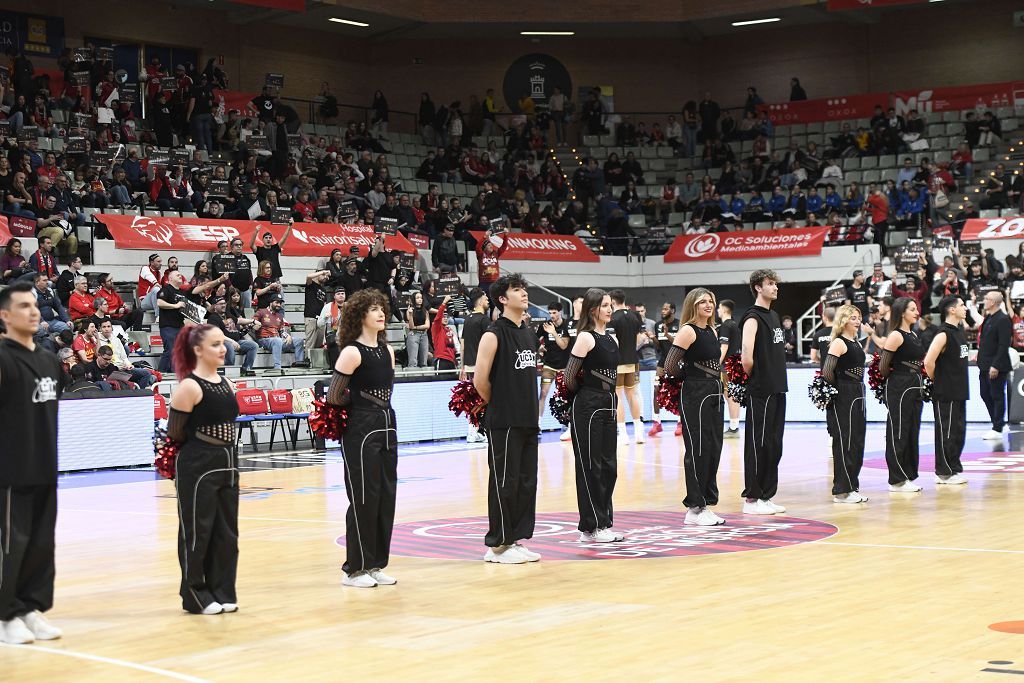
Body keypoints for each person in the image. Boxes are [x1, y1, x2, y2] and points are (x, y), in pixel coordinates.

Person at [0, 281, 63, 644]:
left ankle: (28, 608)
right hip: (10, 471)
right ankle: (6, 614)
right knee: (12, 543)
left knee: (41, 544)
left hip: (45, 466)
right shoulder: (3, 359)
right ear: (5, 316)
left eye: (35, 305)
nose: (34, 311)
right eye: (23, 306)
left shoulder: (49, 359)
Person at [324, 289, 399, 588]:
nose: (380, 313)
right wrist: (360, 408)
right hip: (361, 430)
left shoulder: (388, 350)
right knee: (364, 497)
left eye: (382, 308)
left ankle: (375, 563)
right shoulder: (352, 352)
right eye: (373, 309)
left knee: (385, 497)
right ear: (360, 315)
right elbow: (333, 396)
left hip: (388, 426)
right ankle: (355, 568)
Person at [166, 324, 240, 615]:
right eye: (215, 344)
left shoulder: (226, 383)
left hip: (228, 463)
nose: (223, 349)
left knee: (227, 532)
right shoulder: (189, 386)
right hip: (198, 466)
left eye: (223, 343)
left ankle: (223, 590)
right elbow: (175, 432)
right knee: (198, 532)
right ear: (197, 350)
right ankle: (196, 594)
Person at [473, 274, 541, 564]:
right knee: (504, 481)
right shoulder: (493, 333)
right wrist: (500, 403)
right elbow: (480, 380)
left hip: (527, 418)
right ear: (502, 299)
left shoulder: (527, 331)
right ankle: (497, 544)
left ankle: (514, 538)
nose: (523, 294)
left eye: (523, 289)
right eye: (517, 290)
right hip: (504, 420)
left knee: (526, 481)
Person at [563, 288, 623, 544]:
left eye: (610, 304)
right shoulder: (585, 338)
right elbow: (568, 378)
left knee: (609, 467)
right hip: (588, 406)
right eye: (604, 305)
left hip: (609, 404)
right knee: (591, 467)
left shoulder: (612, 339)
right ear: (592, 310)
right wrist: (586, 397)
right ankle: (592, 526)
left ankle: (603, 523)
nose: (609, 309)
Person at [663, 288, 725, 526]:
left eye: (711, 301)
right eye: (702, 302)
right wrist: (691, 378)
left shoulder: (711, 329)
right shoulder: (688, 330)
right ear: (693, 305)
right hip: (695, 394)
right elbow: (670, 365)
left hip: (714, 392)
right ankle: (694, 508)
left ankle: (705, 504)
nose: (708, 305)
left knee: (713, 448)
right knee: (698, 448)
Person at [740, 269, 788, 515]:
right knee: (758, 443)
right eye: (770, 284)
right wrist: (759, 379)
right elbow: (746, 358)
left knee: (773, 443)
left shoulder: (774, 316)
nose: (775, 288)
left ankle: (767, 495)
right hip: (762, 389)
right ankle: (752, 498)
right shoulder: (752, 317)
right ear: (758, 287)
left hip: (779, 387)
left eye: (776, 284)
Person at [821, 304, 868, 504]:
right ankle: (841, 490)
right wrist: (838, 390)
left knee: (857, 441)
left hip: (858, 392)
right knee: (845, 441)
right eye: (854, 318)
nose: (858, 321)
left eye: (859, 317)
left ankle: (852, 486)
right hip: (844, 394)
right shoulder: (839, 342)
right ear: (844, 320)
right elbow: (827, 371)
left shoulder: (855, 341)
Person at [880, 297, 925, 493]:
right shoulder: (896, 335)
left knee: (911, 430)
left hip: (915, 385)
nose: (917, 312)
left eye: (916, 309)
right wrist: (897, 380)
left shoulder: (913, 334)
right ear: (902, 313)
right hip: (899, 385)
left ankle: (907, 475)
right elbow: (883, 366)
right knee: (898, 431)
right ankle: (896, 480)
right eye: (912, 309)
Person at [923, 296, 970, 486]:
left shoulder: (960, 331)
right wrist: (938, 380)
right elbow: (928, 362)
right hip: (946, 391)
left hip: (959, 390)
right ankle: (944, 472)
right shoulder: (943, 334)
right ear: (951, 310)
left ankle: (953, 468)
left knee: (958, 432)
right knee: (946, 432)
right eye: (962, 305)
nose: (965, 308)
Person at [609, 289, 645, 444]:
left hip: (617, 362)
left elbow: (612, 342)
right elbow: (641, 339)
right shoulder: (635, 315)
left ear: (612, 301)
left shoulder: (612, 318)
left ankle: (623, 434)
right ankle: (639, 432)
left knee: (618, 396)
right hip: (633, 361)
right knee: (633, 395)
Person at [977, 290, 1012, 441]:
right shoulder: (988, 318)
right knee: (984, 393)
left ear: (993, 302)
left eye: (986, 298)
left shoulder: (1003, 319)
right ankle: (996, 422)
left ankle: (997, 427)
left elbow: (1004, 344)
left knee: (997, 395)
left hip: (996, 365)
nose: (984, 300)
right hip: (984, 364)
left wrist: (996, 365)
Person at [459, 288, 489, 444]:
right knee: (484, 399)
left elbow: (462, 344)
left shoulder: (467, 319)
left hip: (470, 365)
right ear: (479, 300)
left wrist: (463, 366)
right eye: (485, 297)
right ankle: (477, 430)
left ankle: (473, 430)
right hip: (482, 365)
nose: (488, 300)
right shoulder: (484, 320)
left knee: (475, 399)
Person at [648, 302, 680, 437]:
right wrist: (653, 338)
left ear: (672, 310)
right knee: (656, 390)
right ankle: (657, 422)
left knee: (679, 393)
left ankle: (681, 422)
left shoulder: (681, 324)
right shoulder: (658, 325)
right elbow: (659, 347)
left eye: (666, 308)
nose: (663, 311)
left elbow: (680, 344)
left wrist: (667, 335)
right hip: (662, 362)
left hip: (677, 363)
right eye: (662, 308)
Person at [537, 302, 570, 431]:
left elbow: (563, 346)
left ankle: (565, 423)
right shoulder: (545, 325)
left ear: (560, 312)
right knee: (543, 393)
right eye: (550, 313)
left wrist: (554, 333)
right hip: (549, 366)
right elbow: (534, 339)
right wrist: (539, 347)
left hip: (564, 367)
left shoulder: (567, 325)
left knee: (564, 397)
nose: (552, 315)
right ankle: (538, 423)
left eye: (554, 313)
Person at [253, 294, 308, 371]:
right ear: (271, 302)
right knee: (277, 340)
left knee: (299, 341)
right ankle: (277, 367)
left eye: (280, 303)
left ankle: (299, 364)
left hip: (277, 340)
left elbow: (281, 330)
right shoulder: (261, 311)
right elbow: (252, 322)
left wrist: (288, 336)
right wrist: (254, 325)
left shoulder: (279, 316)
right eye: (277, 302)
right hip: (264, 340)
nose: (279, 305)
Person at [206, 296, 258, 376]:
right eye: (221, 304)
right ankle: (229, 372)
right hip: (223, 342)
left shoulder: (227, 314)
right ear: (215, 306)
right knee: (229, 346)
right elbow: (217, 335)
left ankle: (245, 369)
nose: (223, 305)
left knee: (253, 345)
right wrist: (232, 341)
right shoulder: (212, 318)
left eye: (224, 303)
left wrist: (253, 321)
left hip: (237, 341)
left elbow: (239, 320)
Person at [717, 299, 742, 437]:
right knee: (733, 395)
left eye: (719, 308)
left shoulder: (726, 326)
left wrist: (717, 363)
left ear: (725, 310)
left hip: (726, 365)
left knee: (729, 396)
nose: (717, 311)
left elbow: (724, 347)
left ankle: (733, 428)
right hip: (734, 364)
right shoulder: (735, 325)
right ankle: (734, 426)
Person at [303, 269, 331, 367]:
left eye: (327, 276)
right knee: (310, 342)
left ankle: (316, 363)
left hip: (320, 319)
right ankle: (308, 361)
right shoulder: (311, 285)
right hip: (310, 317)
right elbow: (309, 276)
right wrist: (323, 272)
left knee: (319, 343)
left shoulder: (323, 290)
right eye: (324, 275)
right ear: (318, 274)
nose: (326, 277)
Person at [318, 288, 347, 369]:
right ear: (334, 296)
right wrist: (325, 317)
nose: (341, 295)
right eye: (338, 294)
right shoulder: (328, 307)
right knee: (335, 366)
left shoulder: (349, 307)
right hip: (333, 341)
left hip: (346, 340)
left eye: (342, 293)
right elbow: (319, 325)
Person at [430, 296, 458, 372]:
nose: (445, 318)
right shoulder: (436, 328)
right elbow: (438, 317)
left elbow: (452, 346)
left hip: (452, 360)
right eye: (443, 317)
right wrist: (444, 303)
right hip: (441, 360)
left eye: (446, 317)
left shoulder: (449, 329)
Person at [404, 290, 431, 368]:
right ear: (413, 300)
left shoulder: (425, 311)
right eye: (417, 298)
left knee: (424, 362)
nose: (420, 299)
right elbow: (411, 326)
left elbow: (427, 325)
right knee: (413, 361)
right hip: (413, 335)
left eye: (421, 298)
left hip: (424, 335)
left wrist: (416, 327)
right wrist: (411, 315)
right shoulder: (409, 311)